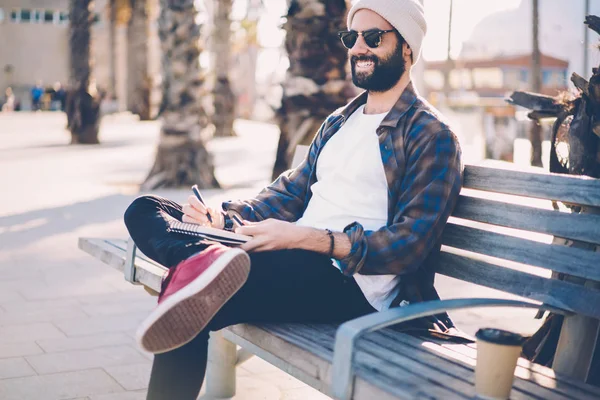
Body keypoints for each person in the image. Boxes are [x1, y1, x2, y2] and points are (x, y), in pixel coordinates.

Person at [124, 1, 463, 398]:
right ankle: (205, 261)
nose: (358, 47)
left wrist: (305, 238)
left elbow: (411, 245)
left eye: (374, 37)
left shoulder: (432, 135)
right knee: (145, 209)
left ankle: (201, 265)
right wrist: (221, 220)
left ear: (408, 47)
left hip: (349, 283)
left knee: (192, 299)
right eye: (352, 37)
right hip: (290, 254)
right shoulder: (340, 121)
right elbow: (288, 193)